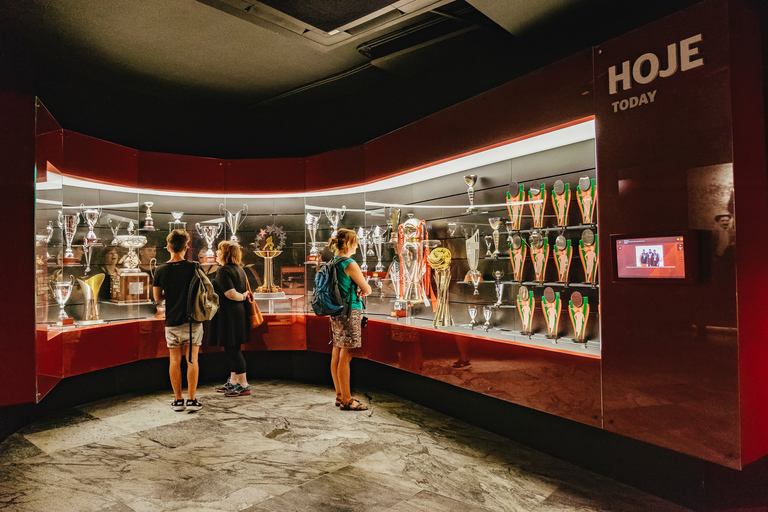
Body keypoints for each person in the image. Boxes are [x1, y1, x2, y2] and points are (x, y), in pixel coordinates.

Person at [152, 229, 203, 412]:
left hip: (172, 320)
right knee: (192, 359)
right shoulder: (194, 267)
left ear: (168, 247)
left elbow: (157, 298)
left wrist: (170, 294)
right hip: (193, 321)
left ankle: (178, 399)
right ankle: (192, 399)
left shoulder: (160, 270)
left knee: (174, 360)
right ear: (185, 246)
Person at [328, 228, 372, 411]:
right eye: (355, 242)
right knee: (347, 354)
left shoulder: (332, 262)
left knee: (337, 348)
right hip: (350, 311)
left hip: (336, 311)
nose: (357, 245)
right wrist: (363, 289)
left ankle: (339, 395)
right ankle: (347, 399)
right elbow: (367, 289)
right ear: (348, 244)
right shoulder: (350, 263)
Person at [211, 240, 253, 397]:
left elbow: (230, 294)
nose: (216, 253)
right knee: (233, 348)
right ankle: (234, 381)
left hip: (229, 315)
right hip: (238, 314)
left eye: (219, 251)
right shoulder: (240, 270)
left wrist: (241, 297)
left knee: (233, 350)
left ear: (226, 253)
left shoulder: (223, 270)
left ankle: (243, 384)